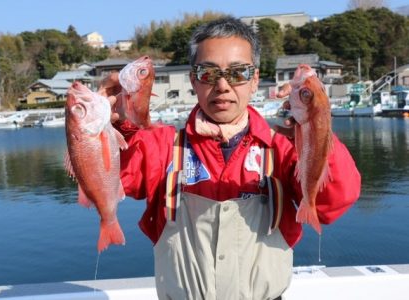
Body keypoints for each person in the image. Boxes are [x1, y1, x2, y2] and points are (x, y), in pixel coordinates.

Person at [102, 17, 361, 300]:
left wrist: (317, 127)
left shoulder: (284, 148)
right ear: (193, 80)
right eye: (208, 73)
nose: (223, 85)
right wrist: (112, 126)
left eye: (238, 73)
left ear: (255, 80)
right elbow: (110, 180)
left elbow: (333, 201)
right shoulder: (162, 145)